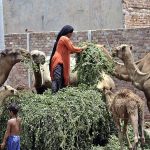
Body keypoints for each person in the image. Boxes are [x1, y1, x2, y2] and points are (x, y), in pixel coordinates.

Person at [50, 25, 87, 93]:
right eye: (71, 33)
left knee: (60, 79)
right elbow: (72, 48)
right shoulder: (64, 38)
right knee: (57, 79)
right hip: (58, 61)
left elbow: (70, 51)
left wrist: (79, 51)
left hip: (59, 61)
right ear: (68, 32)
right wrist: (83, 48)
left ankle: (59, 93)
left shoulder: (62, 39)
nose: (71, 35)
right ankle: (54, 94)